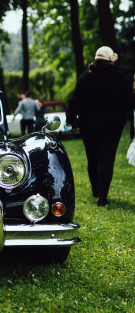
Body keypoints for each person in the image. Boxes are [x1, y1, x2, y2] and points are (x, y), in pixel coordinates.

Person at [65, 46, 135, 207]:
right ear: (110, 59)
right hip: (113, 127)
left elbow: (75, 101)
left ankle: (95, 191)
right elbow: (130, 103)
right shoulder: (119, 77)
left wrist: (70, 121)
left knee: (92, 159)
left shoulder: (86, 76)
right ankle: (102, 196)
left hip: (88, 126)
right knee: (106, 160)